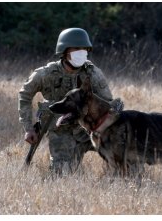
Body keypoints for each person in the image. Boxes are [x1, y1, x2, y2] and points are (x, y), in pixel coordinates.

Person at [18, 27, 113, 176]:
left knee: (123, 155)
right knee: (63, 173)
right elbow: (25, 95)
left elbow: (108, 102)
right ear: (64, 51)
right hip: (61, 130)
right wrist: (28, 128)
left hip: (89, 128)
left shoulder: (92, 73)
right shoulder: (46, 73)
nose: (81, 52)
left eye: (84, 48)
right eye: (76, 48)